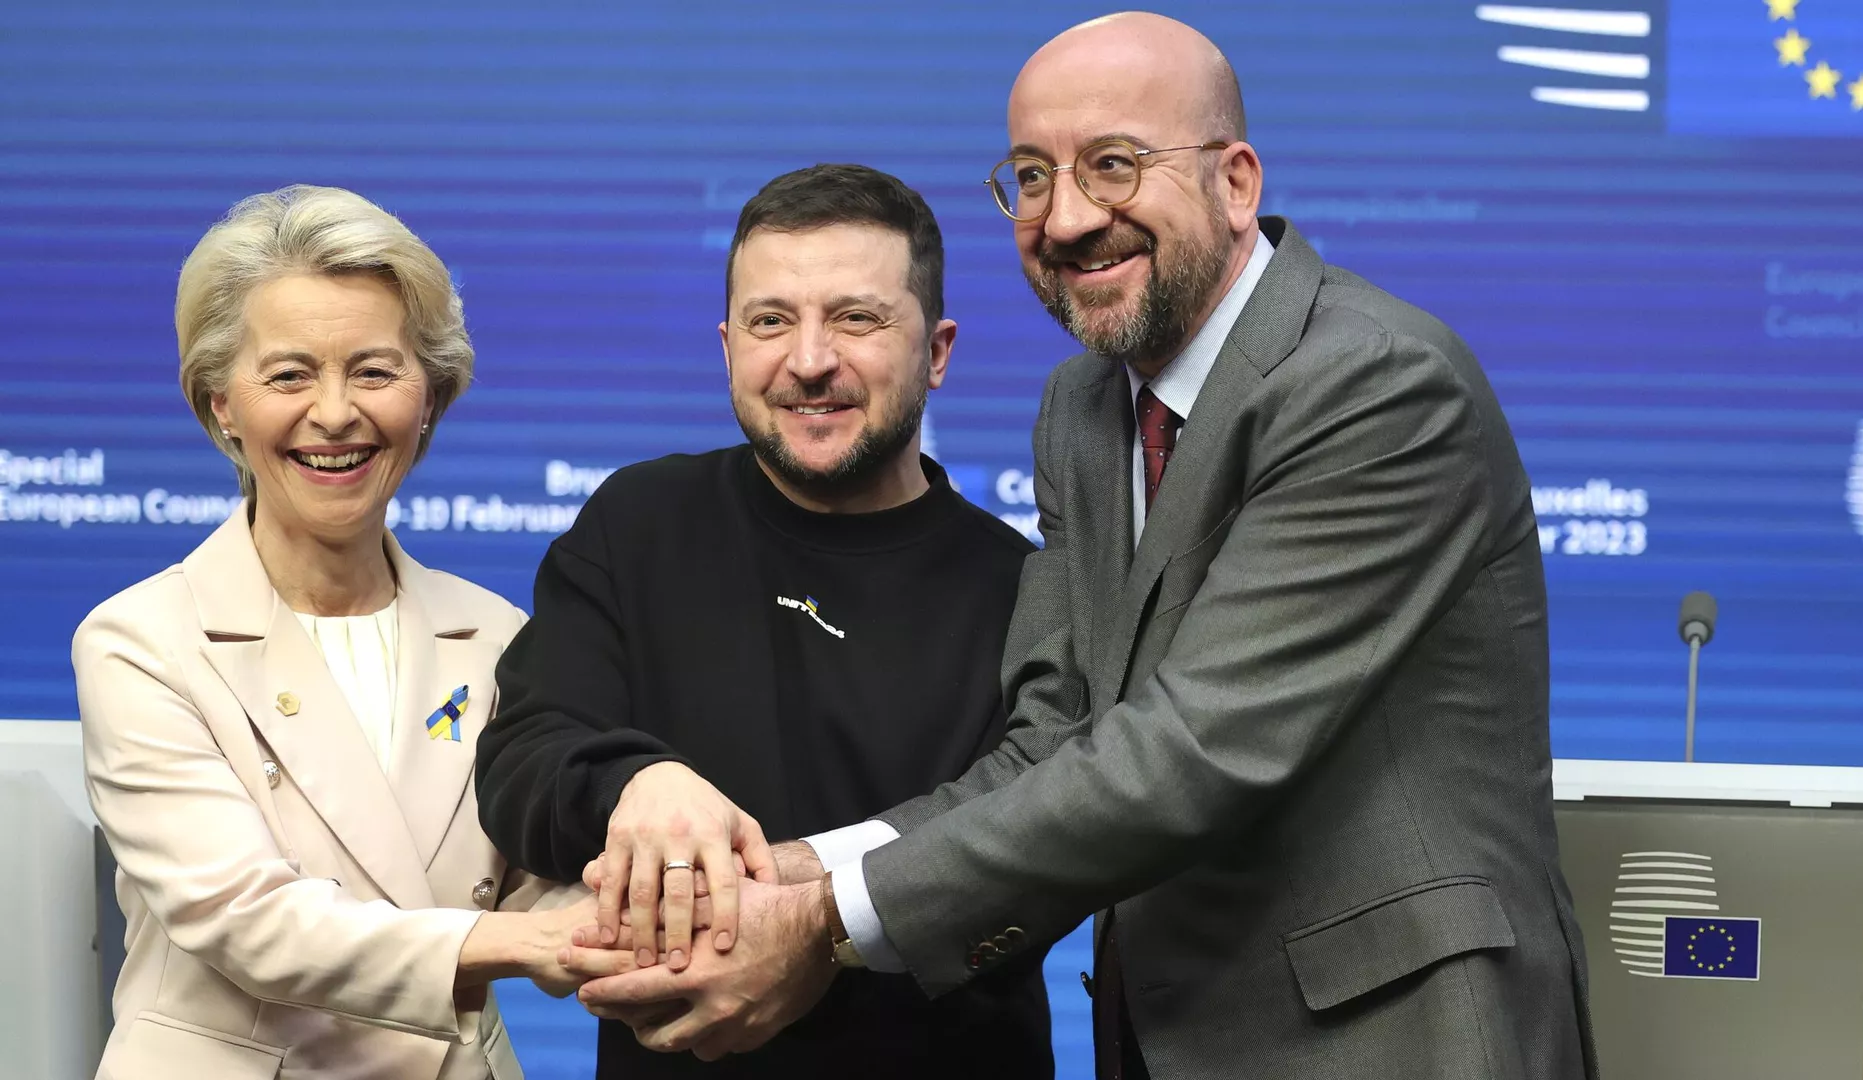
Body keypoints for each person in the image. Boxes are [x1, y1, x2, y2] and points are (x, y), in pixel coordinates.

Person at [565, 13, 1600, 1080]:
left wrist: (827, 919)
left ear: (1236, 182)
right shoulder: (1082, 409)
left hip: (1390, 1038)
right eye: (1028, 177)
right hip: (1164, 1036)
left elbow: (1193, 749)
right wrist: (787, 873)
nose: (1065, 219)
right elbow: (1059, 734)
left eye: (1113, 166)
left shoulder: (1373, 383)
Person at [473, 164, 1054, 1078]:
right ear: (727, 343)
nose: (810, 360)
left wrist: (820, 933)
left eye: (856, 319)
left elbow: (1027, 855)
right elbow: (519, 763)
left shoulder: (1024, 589)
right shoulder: (638, 522)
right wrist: (637, 782)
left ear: (938, 351)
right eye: (770, 320)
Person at [73, 185, 614, 1080]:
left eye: (374, 370)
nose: (334, 414)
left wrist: (650, 905)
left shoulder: (495, 634)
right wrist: (517, 944)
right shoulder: (140, 642)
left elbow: (535, 872)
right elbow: (249, 920)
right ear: (221, 407)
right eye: (289, 375)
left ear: (429, 398)